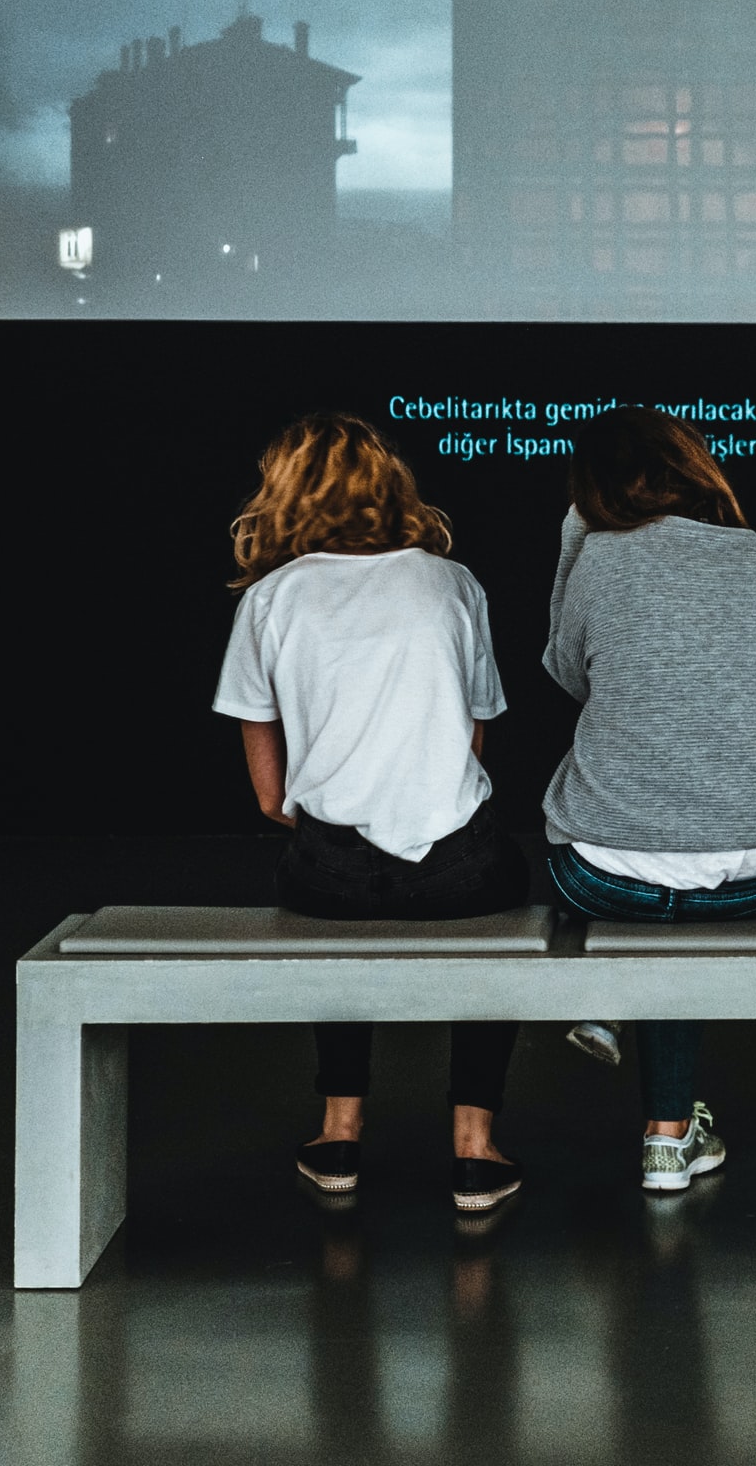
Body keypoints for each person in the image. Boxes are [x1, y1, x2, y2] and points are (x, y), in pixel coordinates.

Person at [211, 413, 532, 1212]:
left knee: (331, 924)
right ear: (392, 487)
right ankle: (474, 1146)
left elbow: (260, 752)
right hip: (459, 863)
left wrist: (305, 813)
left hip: (330, 864)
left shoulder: (272, 597)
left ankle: (340, 1130)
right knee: (505, 902)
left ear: (284, 491)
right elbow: (477, 725)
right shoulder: (451, 582)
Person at [540, 405, 756, 1191]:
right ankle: (667, 1137)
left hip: (603, 876)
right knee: (680, 891)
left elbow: (566, 674)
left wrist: (578, 538)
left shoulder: (600, 562)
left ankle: (612, 1003)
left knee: (619, 861)